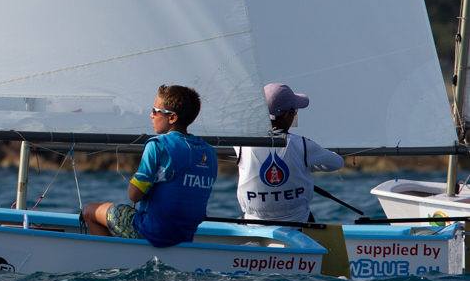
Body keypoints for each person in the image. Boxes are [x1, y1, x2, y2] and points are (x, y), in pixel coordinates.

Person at [81, 84, 217, 247]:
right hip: (184, 236)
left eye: (155, 110)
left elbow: (134, 195)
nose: (151, 115)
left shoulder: (157, 145)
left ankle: (107, 263)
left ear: (172, 117)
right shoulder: (209, 152)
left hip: (152, 232)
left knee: (90, 211)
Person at [235, 83, 344, 223]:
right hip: (298, 226)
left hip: (253, 226)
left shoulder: (240, 143)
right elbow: (337, 162)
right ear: (287, 115)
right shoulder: (303, 145)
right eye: (294, 111)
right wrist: (307, 164)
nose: (295, 114)